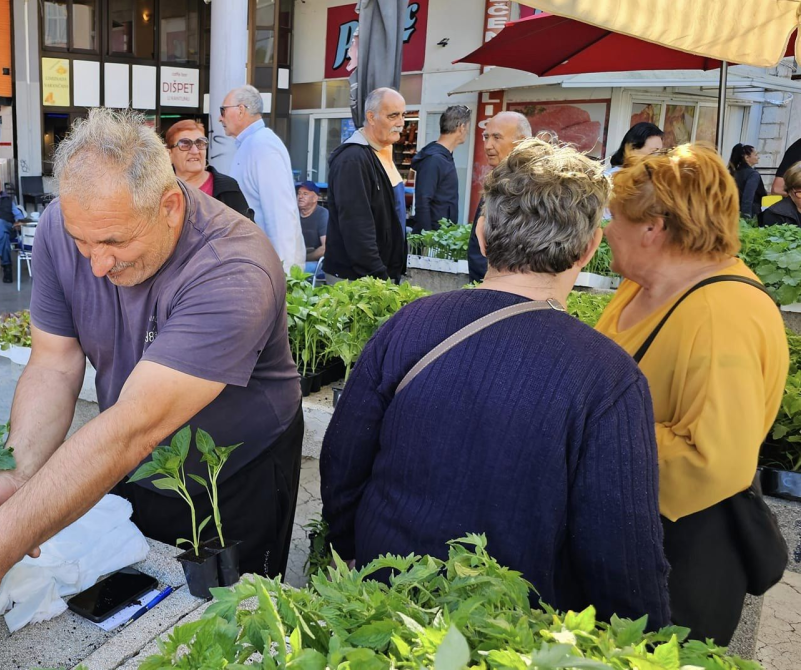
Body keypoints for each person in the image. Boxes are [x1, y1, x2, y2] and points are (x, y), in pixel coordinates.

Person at [0, 108, 303, 652]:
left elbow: (134, 427)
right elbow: (53, 363)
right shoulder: (64, 226)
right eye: (82, 242)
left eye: (114, 243)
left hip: (235, 470)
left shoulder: (234, 267)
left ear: (168, 206)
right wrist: (21, 473)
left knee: (231, 630)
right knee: (141, 605)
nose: (96, 264)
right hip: (133, 453)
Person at [321, 137, 670, 627]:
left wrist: (349, 551)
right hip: (512, 633)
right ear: (590, 249)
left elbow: (343, 458)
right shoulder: (608, 376)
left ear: (482, 235)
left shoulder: (409, 323)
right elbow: (621, 549)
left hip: (383, 604)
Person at [597, 143, 788, 644]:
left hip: (678, 553)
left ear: (653, 227)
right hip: (628, 527)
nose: (604, 230)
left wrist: (593, 437)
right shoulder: (640, 284)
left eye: (612, 217)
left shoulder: (724, 312)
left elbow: (714, 459)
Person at [324, 87, 407, 282]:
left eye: (403, 115)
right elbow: (357, 227)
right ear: (371, 117)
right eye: (393, 116)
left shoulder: (381, 151)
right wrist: (379, 275)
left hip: (377, 276)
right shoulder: (352, 159)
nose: (401, 123)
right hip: (358, 279)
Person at [221, 84, 307, 271]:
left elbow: (280, 213)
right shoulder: (254, 143)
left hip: (269, 266)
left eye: (223, 110)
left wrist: (284, 274)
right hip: (259, 262)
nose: (220, 118)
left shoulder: (262, 145)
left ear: (241, 110)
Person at [467, 111, 531, 282]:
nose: (488, 145)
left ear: (522, 142)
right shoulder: (497, 180)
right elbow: (477, 246)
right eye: (486, 137)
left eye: (497, 137)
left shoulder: (533, 187)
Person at [165, 119, 252, 218]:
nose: (195, 151)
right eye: (185, 144)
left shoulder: (228, 189)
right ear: (169, 154)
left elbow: (246, 231)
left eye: (200, 143)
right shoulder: (158, 191)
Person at [409, 105, 469, 233]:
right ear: (461, 127)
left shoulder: (443, 156)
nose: (467, 132)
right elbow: (422, 201)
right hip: (432, 238)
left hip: (441, 235)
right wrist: (428, 239)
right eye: (467, 127)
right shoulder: (434, 159)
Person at [296, 181, 327, 273]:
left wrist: (303, 258)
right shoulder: (293, 214)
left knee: (296, 270)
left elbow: (325, 248)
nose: (300, 197)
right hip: (295, 259)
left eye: (305, 194)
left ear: (315, 198)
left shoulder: (323, 214)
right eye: (299, 193)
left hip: (316, 262)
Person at [729, 143, 766, 220]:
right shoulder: (753, 174)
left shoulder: (734, 172)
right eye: (755, 155)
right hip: (750, 212)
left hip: (733, 211)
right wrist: (746, 217)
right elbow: (748, 197)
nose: (758, 157)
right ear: (747, 157)